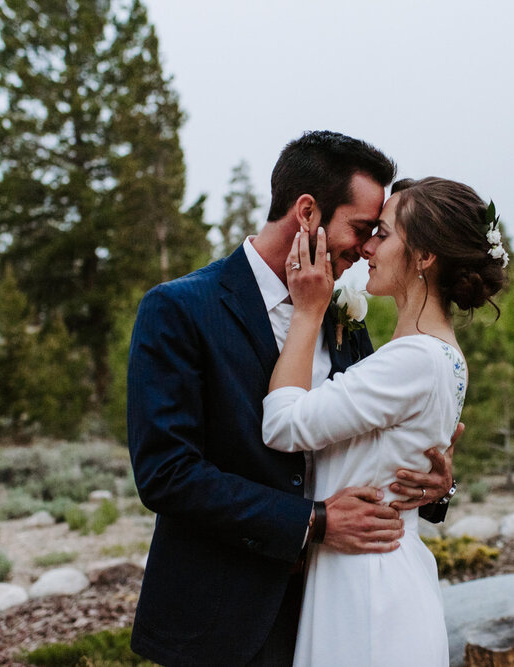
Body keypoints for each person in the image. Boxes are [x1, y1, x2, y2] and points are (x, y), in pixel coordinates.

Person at [126, 131, 458, 666]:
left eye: (378, 232)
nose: (367, 246)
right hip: (224, 615)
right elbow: (166, 473)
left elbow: (361, 439)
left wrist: (434, 483)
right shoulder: (180, 309)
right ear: (307, 212)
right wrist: (315, 521)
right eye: (361, 228)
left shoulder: (344, 314)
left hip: (334, 611)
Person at [261, 177, 507, 666]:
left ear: (424, 256)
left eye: (385, 234)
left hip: (367, 594)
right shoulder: (438, 355)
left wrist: (309, 313)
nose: (369, 245)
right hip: (368, 576)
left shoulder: (413, 359)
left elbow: (283, 426)